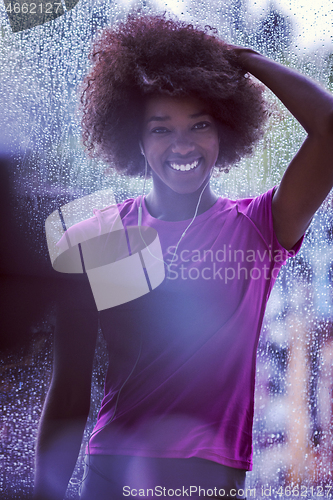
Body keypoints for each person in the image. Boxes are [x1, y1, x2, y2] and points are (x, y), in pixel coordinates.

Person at [34, 12, 333, 500]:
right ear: (135, 138)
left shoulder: (258, 229)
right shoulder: (100, 237)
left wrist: (240, 60)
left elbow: (329, 128)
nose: (182, 144)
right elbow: (69, 393)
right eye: (160, 128)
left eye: (200, 124)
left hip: (207, 479)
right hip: (110, 471)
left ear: (225, 132)